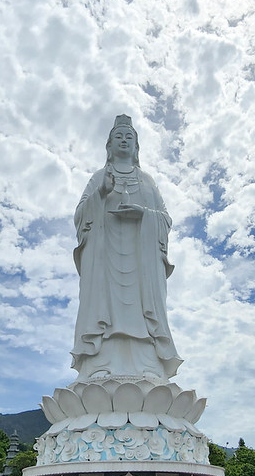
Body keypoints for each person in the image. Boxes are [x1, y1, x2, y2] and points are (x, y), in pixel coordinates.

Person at [71, 114, 181, 382]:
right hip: (105, 257)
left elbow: (165, 219)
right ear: (109, 146)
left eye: (128, 137)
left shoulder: (147, 181)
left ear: (136, 147)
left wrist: (143, 214)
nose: (123, 141)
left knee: (141, 312)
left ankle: (148, 366)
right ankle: (100, 363)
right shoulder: (99, 177)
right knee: (104, 306)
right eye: (118, 137)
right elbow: (79, 216)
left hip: (140, 262)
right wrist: (100, 194)